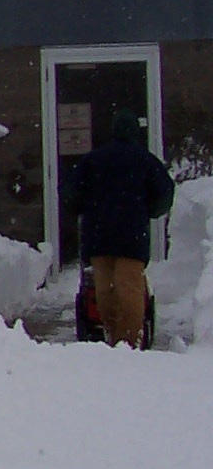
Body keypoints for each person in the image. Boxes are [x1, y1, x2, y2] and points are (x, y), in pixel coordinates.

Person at [71, 107, 175, 348]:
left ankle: (111, 333)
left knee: (104, 290)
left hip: (99, 234)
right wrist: (150, 211)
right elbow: (165, 192)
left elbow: (70, 193)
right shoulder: (145, 160)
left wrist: (82, 209)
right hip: (131, 235)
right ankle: (128, 340)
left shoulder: (93, 159)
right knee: (129, 288)